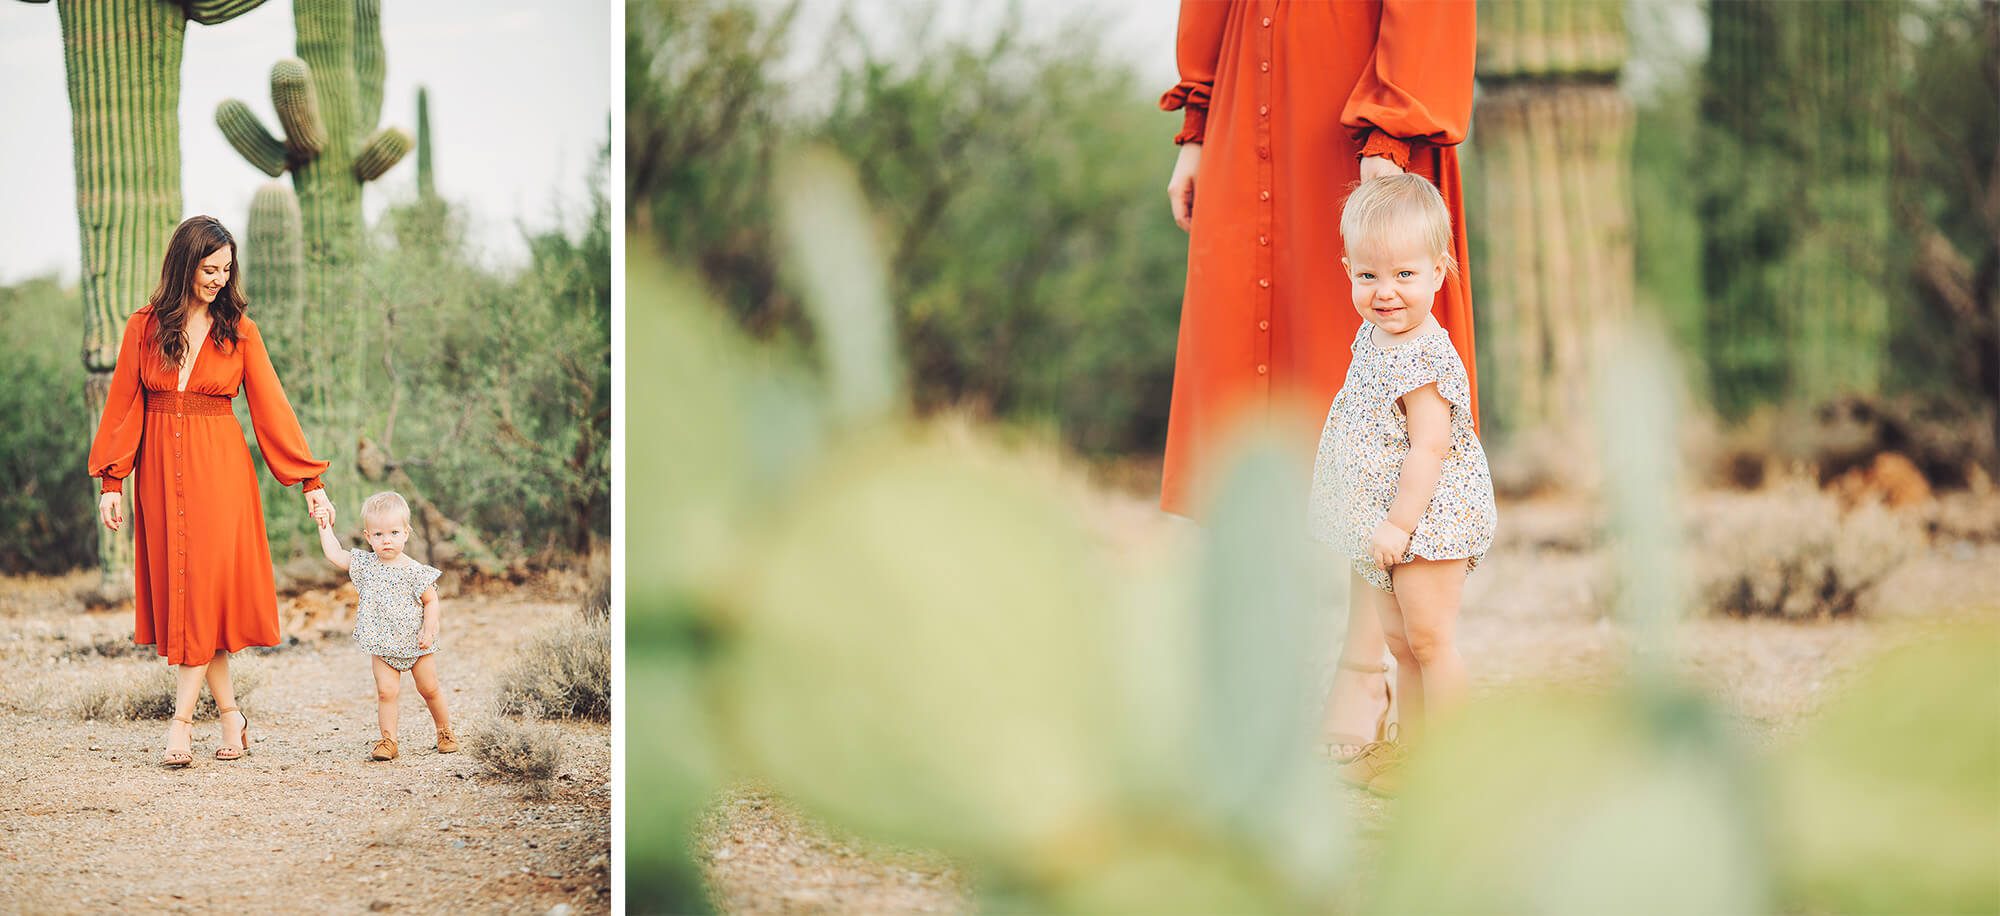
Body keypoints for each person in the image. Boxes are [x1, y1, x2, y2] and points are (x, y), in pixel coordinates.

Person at [1159, 0, 1479, 763]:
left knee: (1382, 392)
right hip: (1247, 88)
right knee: (1238, 373)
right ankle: (1240, 676)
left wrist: (1392, 127)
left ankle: (1363, 671)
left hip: (1359, 105)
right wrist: (1196, 127)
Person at [88, 215, 332, 768]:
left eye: (226, 269)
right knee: (194, 599)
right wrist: (112, 481)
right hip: (158, 475)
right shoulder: (143, 327)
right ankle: (230, 718)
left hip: (220, 475)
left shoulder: (239, 330)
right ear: (183, 264)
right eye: (209, 269)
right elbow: (124, 405)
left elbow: (272, 409)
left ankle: (179, 725)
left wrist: (309, 482)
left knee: (200, 593)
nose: (220, 279)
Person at [1308, 175, 1497, 796]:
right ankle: (1411, 755)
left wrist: (1398, 524)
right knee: (1399, 642)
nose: (1385, 293)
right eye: (1368, 276)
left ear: (1441, 271)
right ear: (1348, 270)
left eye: (1405, 276)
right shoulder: (1377, 335)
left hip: (1427, 520)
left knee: (1431, 639)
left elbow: (1430, 448)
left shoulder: (1423, 356)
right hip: (1386, 522)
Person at [314, 491, 457, 762]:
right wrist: (324, 526)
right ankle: (389, 740)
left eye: (393, 532)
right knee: (386, 692)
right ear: (368, 536)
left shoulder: (415, 571)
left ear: (406, 533)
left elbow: (431, 601)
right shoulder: (366, 565)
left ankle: (444, 731)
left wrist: (429, 628)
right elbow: (335, 554)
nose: (386, 540)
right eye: (378, 535)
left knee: (429, 689)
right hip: (382, 644)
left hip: (417, 644)